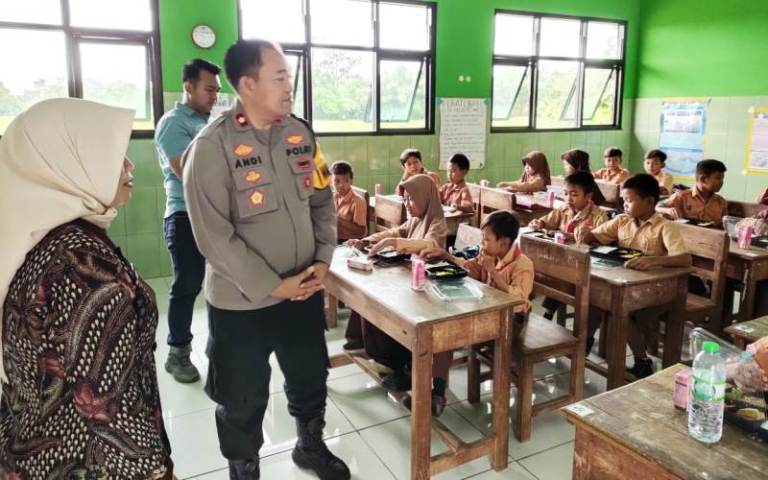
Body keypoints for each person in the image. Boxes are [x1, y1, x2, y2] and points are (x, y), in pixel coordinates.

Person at [182, 40, 349, 480]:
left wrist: (323, 260)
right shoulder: (212, 148)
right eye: (280, 77)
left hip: (303, 291)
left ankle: (310, 446)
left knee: (310, 376)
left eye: (289, 76)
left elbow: (322, 201)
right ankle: (245, 469)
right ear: (247, 84)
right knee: (241, 397)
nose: (289, 85)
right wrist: (274, 285)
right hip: (242, 303)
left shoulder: (300, 135)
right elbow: (213, 237)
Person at [0, 98, 173, 478]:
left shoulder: (38, 240)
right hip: (87, 461)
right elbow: (108, 408)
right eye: (111, 154)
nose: (129, 165)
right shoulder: (82, 269)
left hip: (30, 449)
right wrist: (157, 472)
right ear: (66, 165)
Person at [347, 175, 449, 415]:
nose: (407, 203)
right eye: (404, 199)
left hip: (431, 294)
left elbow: (430, 245)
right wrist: (366, 240)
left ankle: (412, 375)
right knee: (374, 303)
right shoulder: (415, 219)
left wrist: (395, 242)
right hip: (412, 284)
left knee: (393, 314)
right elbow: (396, 232)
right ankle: (396, 366)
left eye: (411, 198)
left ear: (425, 197)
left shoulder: (437, 223)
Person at [577, 174, 692, 378]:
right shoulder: (623, 220)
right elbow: (595, 236)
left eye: (629, 200)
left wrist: (654, 260)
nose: (624, 205)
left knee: (619, 310)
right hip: (627, 283)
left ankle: (642, 360)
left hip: (656, 291)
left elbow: (684, 259)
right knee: (594, 299)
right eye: (623, 200)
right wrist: (585, 233)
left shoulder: (665, 226)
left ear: (649, 202)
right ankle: (584, 344)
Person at [154, 58, 221, 383]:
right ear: (188, 87)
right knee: (187, 285)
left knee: (221, 283)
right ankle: (177, 353)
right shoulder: (173, 123)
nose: (213, 96)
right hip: (184, 216)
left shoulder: (211, 123)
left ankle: (218, 347)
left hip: (215, 217)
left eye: (217, 91)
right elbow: (187, 172)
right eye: (209, 89)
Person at [529, 172, 608, 321]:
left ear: (588, 196)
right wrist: (539, 223)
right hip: (561, 259)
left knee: (561, 276)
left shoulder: (598, 216)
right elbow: (547, 221)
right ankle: (527, 309)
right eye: (566, 194)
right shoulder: (564, 209)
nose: (568, 199)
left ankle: (548, 313)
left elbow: (599, 241)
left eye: (574, 194)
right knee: (535, 270)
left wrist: (572, 237)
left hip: (584, 264)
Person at [657, 159, 728, 227]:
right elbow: (657, 208)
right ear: (703, 179)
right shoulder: (682, 197)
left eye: (722, 179)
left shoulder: (721, 202)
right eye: (718, 178)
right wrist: (667, 210)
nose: (722, 182)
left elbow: (724, 227)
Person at [331, 161, 367, 242]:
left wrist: (338, 219)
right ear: (331, 182)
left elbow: (361, 231)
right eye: (337, 181)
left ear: (351, 181)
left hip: (348, 242)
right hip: (333, 238)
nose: (341, 185)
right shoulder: (333, 196)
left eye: (346, 181)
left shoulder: (358, 201)